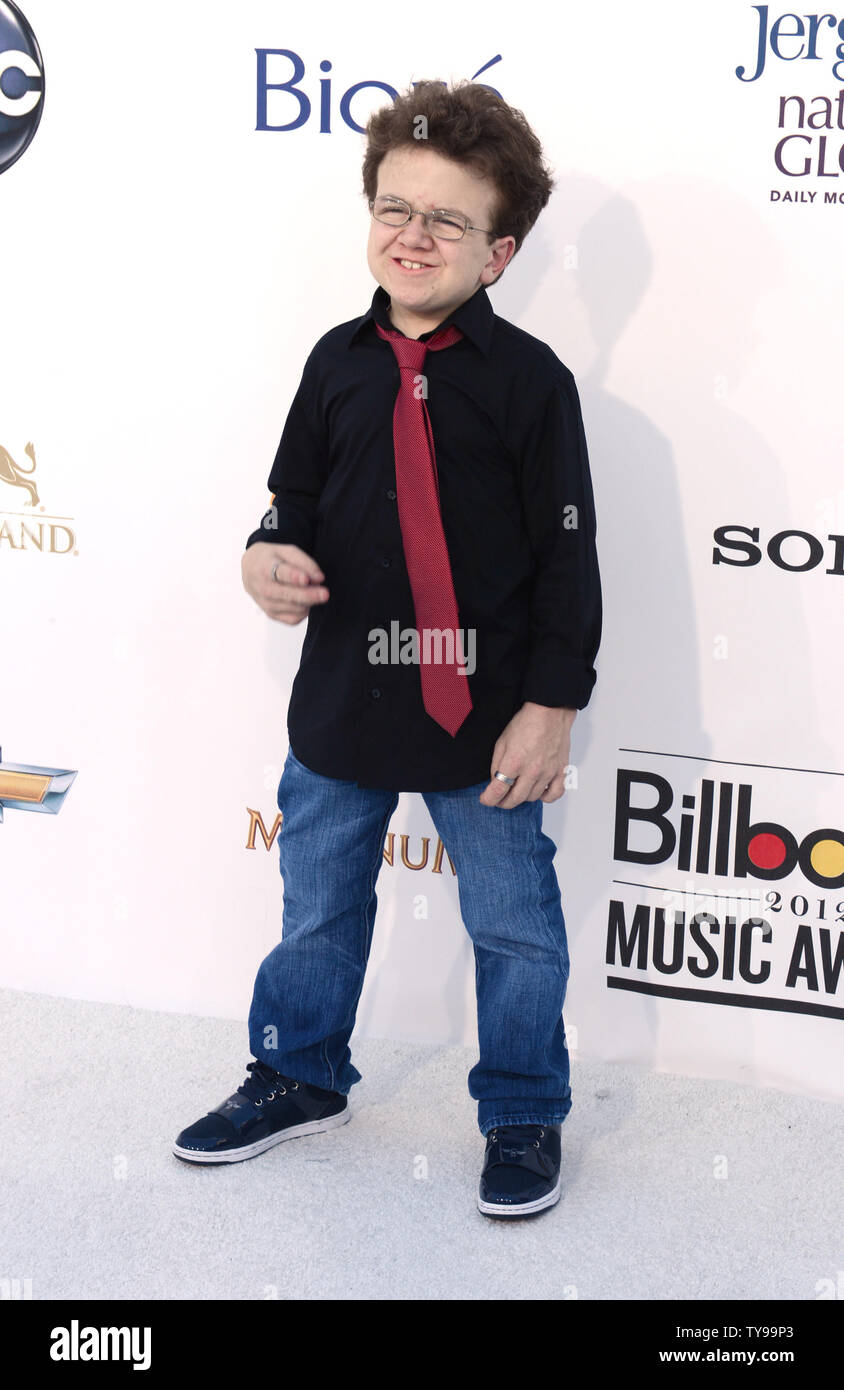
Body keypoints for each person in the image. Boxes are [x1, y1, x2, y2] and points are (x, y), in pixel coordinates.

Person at [173, 79, 602, 1220]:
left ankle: (521, 1109)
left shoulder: (531, 386)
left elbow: (568, 558)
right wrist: (266, 554)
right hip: (345, 701)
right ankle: (299, 1072)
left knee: (513, 924)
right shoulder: (334, 361)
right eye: (395, 210)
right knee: (316, 904)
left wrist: (551, 703)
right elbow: (290, 502)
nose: (413, 237)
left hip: (487, 713)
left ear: (498, 253)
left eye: (448, 221)